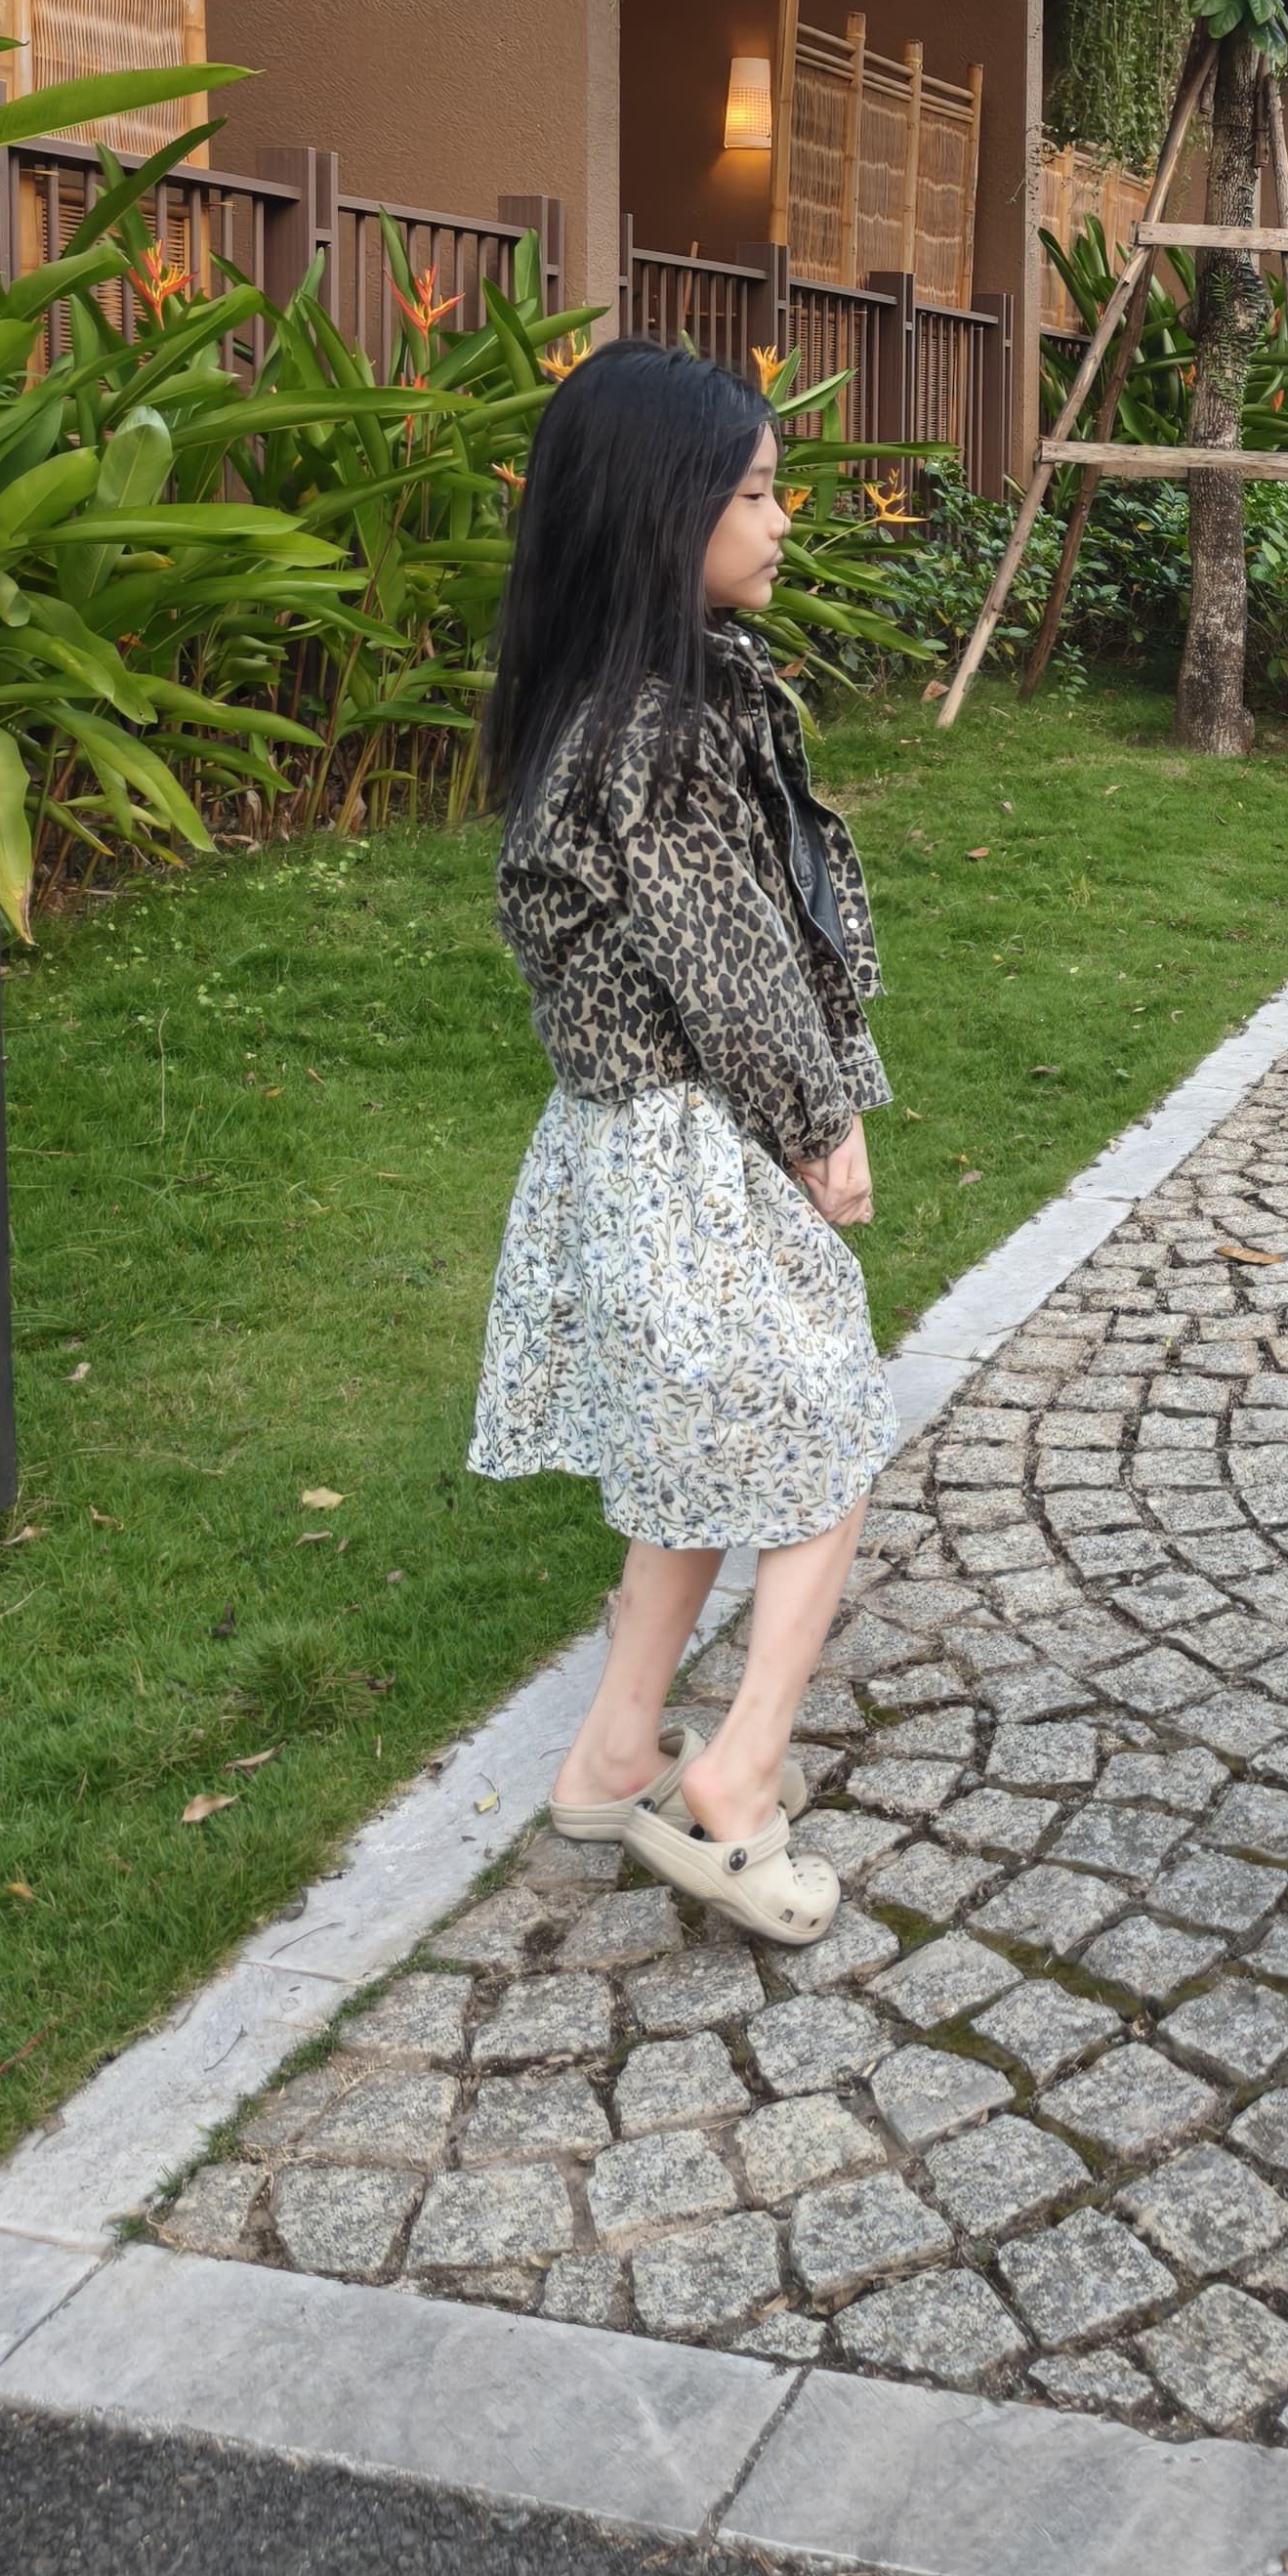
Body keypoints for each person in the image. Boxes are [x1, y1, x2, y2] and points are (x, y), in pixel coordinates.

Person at [468, 339, 892, 1946]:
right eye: (756, 492)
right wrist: (822, 1124)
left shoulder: (611, 703)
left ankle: (611, 1752)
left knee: (703, 1442)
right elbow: (728, 957)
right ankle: (737, 1769)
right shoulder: (662, 724)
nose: (781, 521)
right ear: (664, 512)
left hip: (633, 1143)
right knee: (824, 1433)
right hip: (689, 1146)